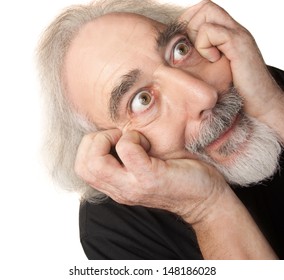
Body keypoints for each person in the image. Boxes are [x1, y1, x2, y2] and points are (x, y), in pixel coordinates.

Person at [37, 0, 284, 259]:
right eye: (142, 100)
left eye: (180, 49)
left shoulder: (260, 87)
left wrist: (272, 108)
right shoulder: (114, 231)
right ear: (112, 152)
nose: (205, 96)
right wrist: (207, 207)